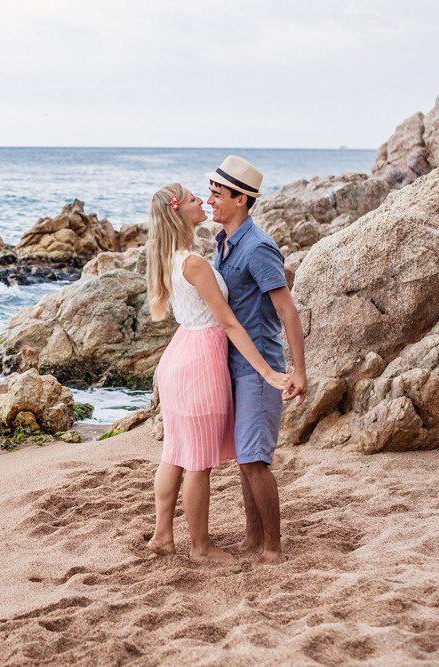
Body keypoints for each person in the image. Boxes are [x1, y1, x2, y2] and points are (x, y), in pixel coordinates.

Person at [145, 182, 289, 563]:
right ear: (179, 212)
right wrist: (268, 371)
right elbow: (228, 324)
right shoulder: (194, 263)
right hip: (200, 360)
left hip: (179, 355)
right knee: (197, 461)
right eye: (194, 199)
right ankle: (200, 547)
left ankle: (162, 536)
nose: (203, 202)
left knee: (174, 452)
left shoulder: (173, 257)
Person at [206, 155, 307, 565]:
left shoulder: (259, 247)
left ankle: (274, 547)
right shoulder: (224, 242)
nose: (210, 199)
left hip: (260, 368)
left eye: (217, 193)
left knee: (254, 460)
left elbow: (289, 311)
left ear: (241, 200)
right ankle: (252, 536)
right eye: (210, 192)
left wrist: (298, 371)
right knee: (246, 458)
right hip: (232, 365)